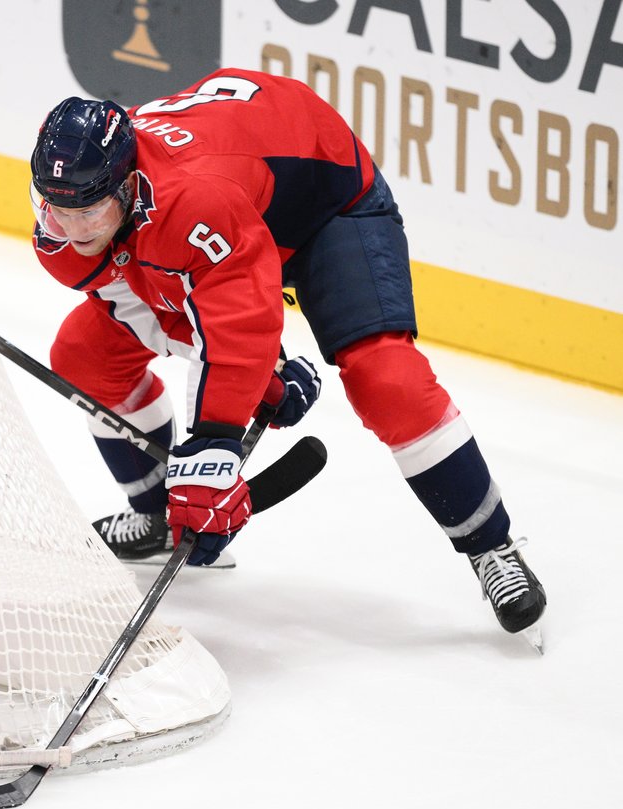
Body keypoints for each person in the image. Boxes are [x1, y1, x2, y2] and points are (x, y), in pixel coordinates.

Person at [28, 68, 546, 641]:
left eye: (89, 212)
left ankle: (491, 546)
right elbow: (152, 311)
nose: (74, 228)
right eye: (59, 209)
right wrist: (256, 388)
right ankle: (157, 519)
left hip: (324, 208)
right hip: (234, 206)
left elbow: (239, 313)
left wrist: (215, 442)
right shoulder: (69, 217)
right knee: (83, 352)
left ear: (126, 187)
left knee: (386, 379)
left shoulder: (190, 199)